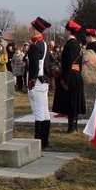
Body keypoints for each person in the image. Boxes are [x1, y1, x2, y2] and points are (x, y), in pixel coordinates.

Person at [52, 20, 85, 133]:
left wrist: (64, 80)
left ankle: (72, 127)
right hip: (76, 74)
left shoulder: (70, 45)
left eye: (65, 30)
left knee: (70, 102)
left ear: (68, 31)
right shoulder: (77, 44)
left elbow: (67, 63)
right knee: (73, 101)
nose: (64, 31)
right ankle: (73, 126)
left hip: (70, 75)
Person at [26, 17, 52, 149]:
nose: (29, 32)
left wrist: (30, 84)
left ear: (36, 31)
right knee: (45, 112)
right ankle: (45, 141)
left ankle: (39, 141)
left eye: (31, 30)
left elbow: (34, 67)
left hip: (36, 82)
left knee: (38, 112)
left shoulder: (35, 47)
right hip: (43, 81)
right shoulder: (44, 44)